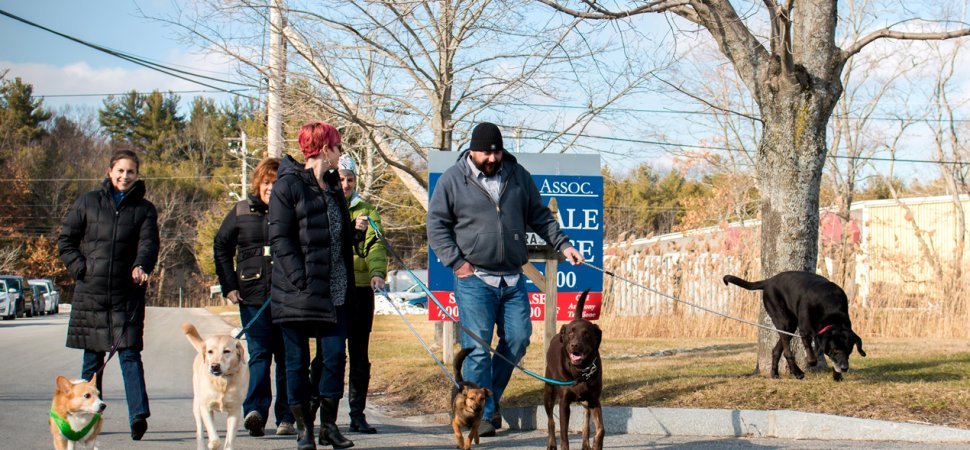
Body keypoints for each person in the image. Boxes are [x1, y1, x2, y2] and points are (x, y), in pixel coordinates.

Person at [427, 122, 585, 437]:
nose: (492, 157)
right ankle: (481, 416)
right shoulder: (453, 180)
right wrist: (457, 262)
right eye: (486, 152)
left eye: (496, 151)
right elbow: (436, 224)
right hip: (474, 278)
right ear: (472, 150)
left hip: (512, 279)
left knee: (518, 339)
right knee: (477, 346)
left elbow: (540, 216)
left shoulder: (517, 175)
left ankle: (487, 399)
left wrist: (564, 245)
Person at [269, 121, 362, 450]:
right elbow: (279, 238)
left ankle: (329, 426)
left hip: (335, 288)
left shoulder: (334, 186)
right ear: (325, 149)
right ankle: (303, 429)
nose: (341, 152)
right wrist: (299, 278)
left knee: (335, 357)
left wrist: (355, 233)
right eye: (337, 146)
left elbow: (332, 234)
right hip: (297, 291)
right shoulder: (288, 186)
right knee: (295, 362)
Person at [57, 149, 160, 441]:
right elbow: (66, 240)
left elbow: (149, 243)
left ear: (136, 175)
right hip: (91, 292)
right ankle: (89, 420)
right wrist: (81, 268)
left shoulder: (144, 209)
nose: (125, 176)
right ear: (109, 171)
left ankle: (138, 416)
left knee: (130, 355)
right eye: (120, 171)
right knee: (93, 361)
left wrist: (141, 265)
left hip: (126, 294)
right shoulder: (88, 202)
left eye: (130, 172)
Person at [213, 157, 297, 437]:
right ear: (258, 183)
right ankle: (256, 412)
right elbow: (221, 246)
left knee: (287, 357)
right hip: (252, 295)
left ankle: (287, 416)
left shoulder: (292, 210)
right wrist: (229, 285)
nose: (271, 188)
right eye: (266, 182)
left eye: (277, 183)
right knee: (260, 354)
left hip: (287, 294)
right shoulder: (240, 211)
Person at [310, 155, 386, 435]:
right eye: (341, 179)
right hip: (332, 288)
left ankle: (357, 414)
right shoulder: (324, 204)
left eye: (350, 179)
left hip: (361, 287)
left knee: (359, 354)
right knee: (327, 353)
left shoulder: (366, 210)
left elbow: (375, 245)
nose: (345, 184)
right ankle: (313, 408)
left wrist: (377, 271)